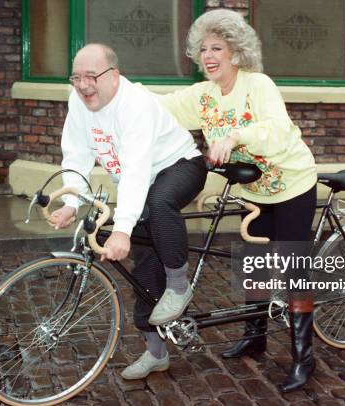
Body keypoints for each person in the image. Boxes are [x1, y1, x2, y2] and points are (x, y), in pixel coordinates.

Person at [158, 9, 318, 392]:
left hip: (292, 184)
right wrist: (116, 93)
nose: (209, 55)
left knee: (294, 267)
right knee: (256, 265)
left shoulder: (257, 85)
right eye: (203, 48)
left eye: (218, 47)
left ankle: (304, 358)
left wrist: (235, 137)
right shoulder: (203, 95)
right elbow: (159, 105)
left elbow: (277, 129)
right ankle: (256, 335)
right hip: (256, 191)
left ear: (236, 52)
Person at [49, 43, 207, 380]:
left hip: (179, 165)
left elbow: (135, 168)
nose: (83, 85)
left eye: (91, 76)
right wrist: (72, 204)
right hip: (142, 180)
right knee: (145, 264)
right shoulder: (78, 101)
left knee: (158, 204)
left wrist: (122, 228)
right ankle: (156, 353)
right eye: (76, 77)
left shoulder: (135, 104)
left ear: (114, 76)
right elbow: (76, 154)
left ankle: (178, 286)